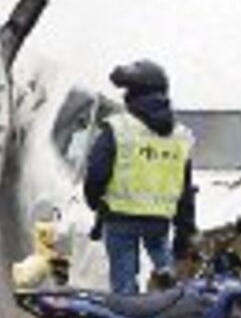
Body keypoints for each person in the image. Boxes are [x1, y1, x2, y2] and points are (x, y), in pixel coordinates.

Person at [84, 60, 196, 295]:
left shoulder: (118, 128)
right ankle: (169, 305)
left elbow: (96, 173)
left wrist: (96, 203)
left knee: (124, 286)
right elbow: (185, 190)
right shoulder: (180, 136)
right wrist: (184, 231)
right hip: (159, 221)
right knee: (169, 282)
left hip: (120, 218)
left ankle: (129, 315)